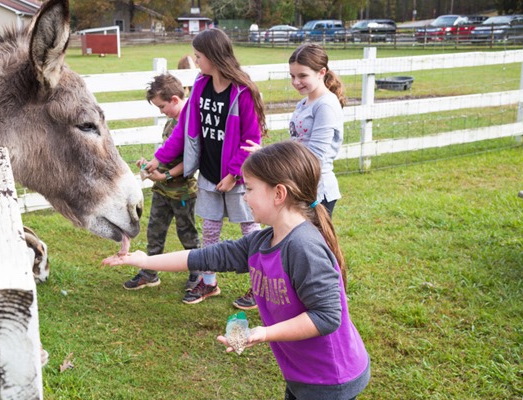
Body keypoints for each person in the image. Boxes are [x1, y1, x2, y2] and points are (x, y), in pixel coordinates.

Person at [103, 141, 370, 400]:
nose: (244, 195)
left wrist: (263, 333)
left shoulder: (303, 247)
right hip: (303, 373)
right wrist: (145, 261)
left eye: (250, 188)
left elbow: (326, 316)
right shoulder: (263, 241)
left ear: (279, 194)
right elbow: (201, 257)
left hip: (331, 377)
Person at [142, 28, 266, 306]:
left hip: (238, 178)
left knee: (251, 232)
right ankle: (208, 283)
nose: (196, 61)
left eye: (199, 56)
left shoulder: (241, 91)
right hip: (209, 175)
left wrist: (234, 174)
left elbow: (251, 139)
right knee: (210, 232)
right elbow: (184, 130)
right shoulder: (200, 84)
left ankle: (261, 288)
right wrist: (160, 158)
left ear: (213, 55)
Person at [242, 43, 346, 216]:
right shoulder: (304, 103)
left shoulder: (326, 105)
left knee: (312, 240)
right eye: (292, 76)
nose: (296, 82)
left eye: (302, 75)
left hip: (317, 190)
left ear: (321, 72)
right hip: (300, 183)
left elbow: (315, 155)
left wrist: (273, 158)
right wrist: (267, 154)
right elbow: (296, 144)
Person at [122, 73, 201, 292]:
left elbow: (191, 161)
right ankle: (150, 272)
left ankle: (198, 272)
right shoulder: (170, 123)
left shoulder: (191, 124)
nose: (161, 111)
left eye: (162, 106)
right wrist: (150, 164)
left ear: (175, 99)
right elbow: (166, 153)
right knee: (155, 231)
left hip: (182, 192)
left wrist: (166, 175)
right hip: (162, 190)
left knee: (187, 233)